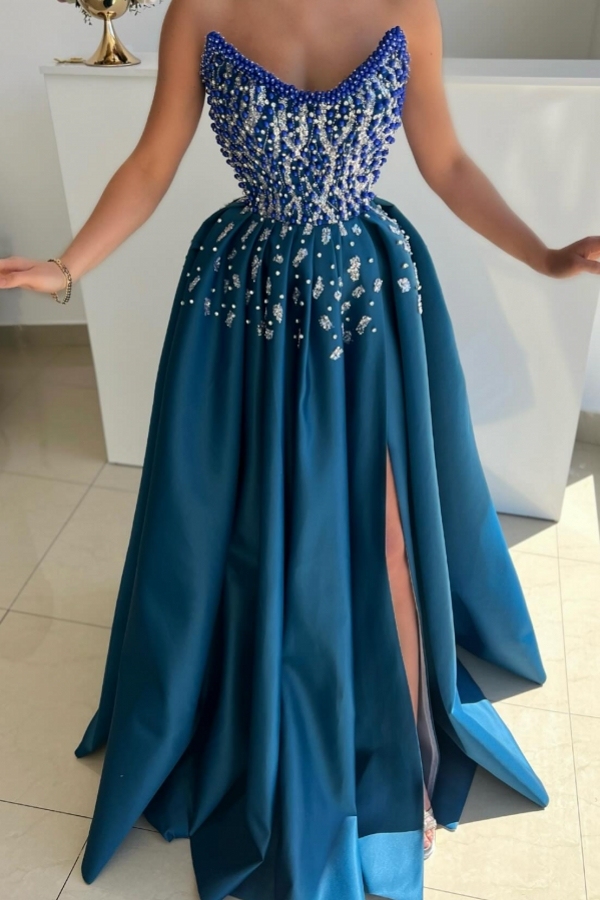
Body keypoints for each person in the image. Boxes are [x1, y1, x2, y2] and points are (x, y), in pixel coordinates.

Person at [1, 0, 599, 897]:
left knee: (389, 540)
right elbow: (153, 162)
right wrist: (65, 269)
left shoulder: (406, 10)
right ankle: (262, 714)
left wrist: (547, 257)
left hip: (367, 300)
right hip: (250, 303)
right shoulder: (201, 11)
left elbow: (446, 162)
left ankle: (401, 761)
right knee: (251, 531)